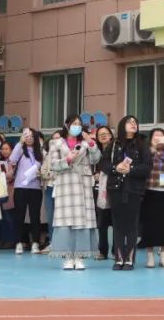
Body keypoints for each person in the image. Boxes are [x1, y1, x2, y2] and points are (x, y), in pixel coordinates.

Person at [49, 116, 102, 270]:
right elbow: (53, 164)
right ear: (67, 125)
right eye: (74, 124)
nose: (77, 126)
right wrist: (67, 160)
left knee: (81, 221)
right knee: (66, 221)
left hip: (83, 184)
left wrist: (91, 143)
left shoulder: (85, 142)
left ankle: (79, 257)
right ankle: (67, 257)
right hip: (65, 184)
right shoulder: (56, 143)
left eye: (79, 124)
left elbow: (96, 159)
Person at [107, 115, 151, 269]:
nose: (133, 124)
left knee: (132, 224)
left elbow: (147, 167)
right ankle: (119, 258)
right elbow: (103, 163)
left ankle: (129, 259)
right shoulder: (114, 144)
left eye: (135, 122)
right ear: (122, 125)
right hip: (115, 188)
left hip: (134, 189)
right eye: (129, 122)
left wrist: (131, 169)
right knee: (118, 224)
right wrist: (115, 168)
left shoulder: (142, 145)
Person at [140, 128, 164, 268]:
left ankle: (163, 256)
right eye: (156, 136)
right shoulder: (146, 152)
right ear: (151, 139)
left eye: (162, 136)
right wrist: (155, 149)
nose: (159, 138)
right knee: (150, 224)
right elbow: (145, 166)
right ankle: (150, 256)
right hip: (150, 190)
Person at [10, 128, 44, 254]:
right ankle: (18, 242)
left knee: (35, 217)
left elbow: (45, 167)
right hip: (20, 187)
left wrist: (41, 173)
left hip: (35, 188)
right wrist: (20, 143)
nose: (29, 138)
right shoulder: (20, 149)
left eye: (31, 136)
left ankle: (35, 243)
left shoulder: (40, 152)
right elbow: (12, 160)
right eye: (26, 136)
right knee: (19, 216)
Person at [93, 125, 115, 260]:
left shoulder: (116, 149)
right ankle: (102, 251)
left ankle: (116, 250)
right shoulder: (95, 151)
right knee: (101, 223)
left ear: (111, 135)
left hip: (114, 187)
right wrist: (94, 174)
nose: (103, 136)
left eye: (106, 133)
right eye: (100, 134)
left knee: (116, 221)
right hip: (99, 189)